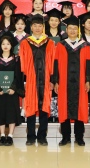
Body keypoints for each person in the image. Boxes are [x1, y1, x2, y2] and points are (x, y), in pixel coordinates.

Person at [52, 15, 90, 146]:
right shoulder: (60, 45)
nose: (72, 31)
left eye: (75, 28)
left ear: (78, 30)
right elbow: (55, 64)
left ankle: (79, 137)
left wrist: (88, 80)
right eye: (70, 28)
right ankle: (66, 137)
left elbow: (89, 64)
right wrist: (56, 81)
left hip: (80, 83)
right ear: (66, 30)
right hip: (64, 83)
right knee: (64, 108)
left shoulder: (85, 45)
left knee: (80, 108)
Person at [19, 15, 55, 146]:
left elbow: (53, 62)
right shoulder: (25, 43)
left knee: (44, 108)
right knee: (30, 107)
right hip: (31, 80)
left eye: (40, 26)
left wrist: (52, 80)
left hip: (45, 80)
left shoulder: (50, 43)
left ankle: (42, 136)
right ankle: (30, 136)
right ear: (31, 27)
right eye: (35, 26)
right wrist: (24, 81)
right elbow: (22, 63)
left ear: (43, 27)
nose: (37, 28)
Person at [0, 35, 25, 146]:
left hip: (11, 93)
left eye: (8, 44)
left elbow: (18, 75)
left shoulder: (16, 59)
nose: (5, 46)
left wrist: (13, 88)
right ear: (0, 45)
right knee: (0, 113)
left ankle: (10, 136)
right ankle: (2, 135)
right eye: (3, 44)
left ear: (11, 46)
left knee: (11, 113)